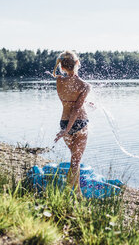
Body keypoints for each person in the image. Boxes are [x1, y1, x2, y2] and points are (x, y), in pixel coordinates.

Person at [53, 51, 91, 197]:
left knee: (74, 159)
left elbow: (70, 101)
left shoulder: (59, 81)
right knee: (76, 161)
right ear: (77, 63)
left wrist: (65, 130)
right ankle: (70, 194)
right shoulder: (85, 86)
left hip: (64, 122)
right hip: (79, 124)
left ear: (62, 66)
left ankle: (77, 191)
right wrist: (68, 130)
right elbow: (76, 109)